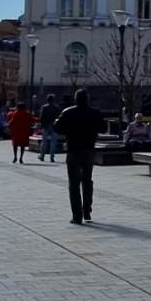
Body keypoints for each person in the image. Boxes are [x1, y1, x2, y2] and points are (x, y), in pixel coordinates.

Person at [54, 90, 104, 225]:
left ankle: (77, 215)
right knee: (87, 180)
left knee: (74, 184)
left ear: (75, 99)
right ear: (88, 99)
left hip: (73, 150)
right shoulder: (95, 113)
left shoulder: (68, 112)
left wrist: (68, 131)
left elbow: (56, 127)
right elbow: (103, 128)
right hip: (89, 150)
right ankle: (87, 211)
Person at [38, 95, 61, 162]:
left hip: (46, 126)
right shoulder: (57, 108)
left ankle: (42, 155)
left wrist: (42, 125)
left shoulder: (44, 107)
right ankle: (52, 157)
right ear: (53, 100)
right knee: (53, 142)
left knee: (44, 142)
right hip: (54, 126)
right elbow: (59, 117)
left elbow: (41, 117)